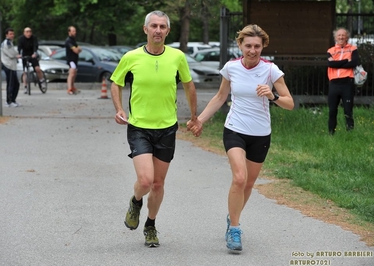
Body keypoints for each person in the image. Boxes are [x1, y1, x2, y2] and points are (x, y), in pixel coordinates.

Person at [187, 24, 294, 252]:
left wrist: (273, 95)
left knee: (249, 183)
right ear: (240, 45)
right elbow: (220, 96)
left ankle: (232, 216)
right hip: (235, 129)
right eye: (248, 46)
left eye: (257, 46)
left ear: (263, 46)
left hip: (261, 134)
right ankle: (235, 229)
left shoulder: (271, 70)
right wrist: (200, 120)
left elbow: (289, 103)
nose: (253, 50)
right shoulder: (231, 68)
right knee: (239, 178)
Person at [110, 10, 198, 247]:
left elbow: (189, 86)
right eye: (154, 26)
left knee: (158, 184)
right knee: (146, 181)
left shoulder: (177, 57)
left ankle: (150, 225)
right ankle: (136, 200)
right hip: (139, 127)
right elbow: (115, 83)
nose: (158, 30)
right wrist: (119, 109)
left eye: (162, 26)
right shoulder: (131, 57)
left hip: (167, 128)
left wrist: (194, 116)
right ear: (145, 29)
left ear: (168, 31)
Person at [327, 27, 359, 135]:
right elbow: (331, 64)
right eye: (339, 35)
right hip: (334, 84)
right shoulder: (331, 50)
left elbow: (354, 63)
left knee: (348, 111)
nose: (341, 37)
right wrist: (346, 60)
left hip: (347, 83)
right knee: (332, 110)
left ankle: (350, 133)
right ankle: (331, 133)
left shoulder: (353, 49)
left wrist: (337, 63)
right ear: (335, 37)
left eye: (343, 35)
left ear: (347, 37)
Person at [17, 27, 46, 93]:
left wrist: (35, 53)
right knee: (24, 72)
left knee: (37, 69)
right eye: (27, 32)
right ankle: (25, 86)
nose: (29, 33)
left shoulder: (33, 38)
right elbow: (19, 47)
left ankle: (42, 81)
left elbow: (35, 46)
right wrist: (19, 54)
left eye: (30, 32)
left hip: (32, 55)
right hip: (24, 55)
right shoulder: (21, 39)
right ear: (24, 33)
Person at [1, 28, 22, 107]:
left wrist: (16, 54)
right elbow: (12, 54)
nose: (12, 35)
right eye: (10, 34)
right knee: (11, 84)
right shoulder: (7, 43)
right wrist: (17, 55)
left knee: (16, 84)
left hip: (12, 66)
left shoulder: (10, 42)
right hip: (8, 65)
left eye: (13, 34)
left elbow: (15, 52)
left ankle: (13, 100)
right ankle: (9, 101)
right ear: (6, 35)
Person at [65, 26, 82, 95]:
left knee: (74, 74)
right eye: (73, 31)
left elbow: (79, 49)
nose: (75, 32)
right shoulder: (68, 40)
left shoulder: (73, 40)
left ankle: (72, 87)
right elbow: (76, 50)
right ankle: (69, 88)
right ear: (69, 32)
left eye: (75, 31)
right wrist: (77, 49)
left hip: (75, 59)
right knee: (71, 74)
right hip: (71, 59)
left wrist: (78, 49)